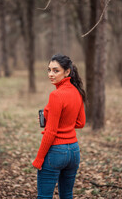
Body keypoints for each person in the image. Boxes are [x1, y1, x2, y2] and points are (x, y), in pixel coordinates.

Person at [32, 54, 86, 199]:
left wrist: (39, 158)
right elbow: (80, 123)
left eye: (56, 70)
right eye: (49, 70)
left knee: (44, 196)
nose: (51, 74)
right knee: (67, 195)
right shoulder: (77, 92)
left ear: (67, 71)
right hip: (74, 152)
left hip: (56, 152)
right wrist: (55, 118)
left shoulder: (56, 95)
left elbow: (50, 131)